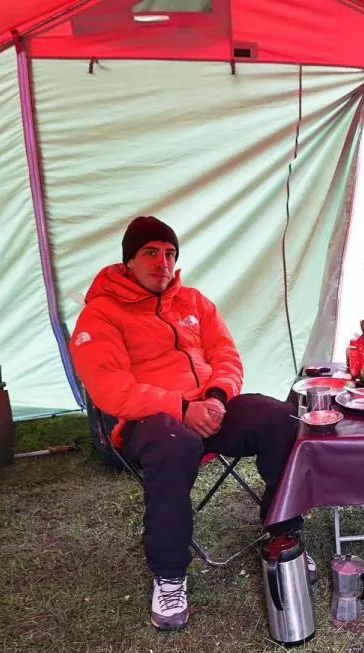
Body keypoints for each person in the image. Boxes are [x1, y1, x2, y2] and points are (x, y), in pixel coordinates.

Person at [70, 216, 308, 631]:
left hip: (208, 408)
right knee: (173, 443)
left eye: (169, 253)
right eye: (150, 252)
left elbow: (227, 357)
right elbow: (109, 389)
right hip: (151, 421)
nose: (162, 262)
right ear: (128, 260)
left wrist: (216, 398)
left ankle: (283, 531)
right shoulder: (101, 314)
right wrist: (181, 409)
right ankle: (169, 575)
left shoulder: (194, 301)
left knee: (281, 417)